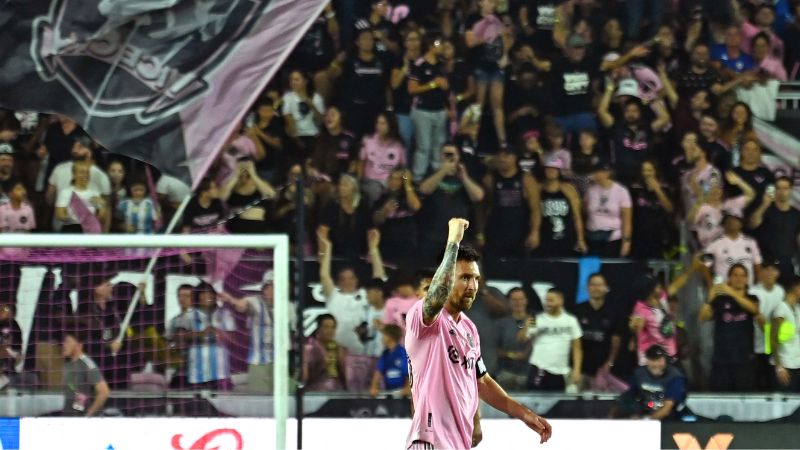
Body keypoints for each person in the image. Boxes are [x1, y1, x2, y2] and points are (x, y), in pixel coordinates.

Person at [405, 218, 551, 449]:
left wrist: (524, 414)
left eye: (475, 278)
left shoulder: (468, 328)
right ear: (446, 278)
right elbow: (437, 293)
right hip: (430, 442)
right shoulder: (424, 320)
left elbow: (481, 381)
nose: (472, 286)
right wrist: (453, 241)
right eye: (464, 278)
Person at [218, 271, 292, 393]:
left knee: (282, 396)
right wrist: (231, 299)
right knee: (260, 396)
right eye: (267, 286)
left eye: (274, 286)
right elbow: (242, 305)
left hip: (280, 362)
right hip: (258, 361)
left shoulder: (288, 306)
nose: (270, 290)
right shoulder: (255, 302)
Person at [317, 228, 385, 355]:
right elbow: (324, 275)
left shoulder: (365, 295)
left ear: (356, 280)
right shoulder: (333, 296)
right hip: (337, 354)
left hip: (363, 353)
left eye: (350, 278)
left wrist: (374, 249)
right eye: (343, 279)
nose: (347, 282)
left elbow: (379, 279)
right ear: (338, 282)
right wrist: (328, 247)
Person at [699, 264, 760, 392]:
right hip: (721, 359)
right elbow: (702, 318)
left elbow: (754, 309)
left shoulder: (752, 298)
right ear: (729, 278)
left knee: (744, 396)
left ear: (747, 278)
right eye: (735, 275)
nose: (739, 278)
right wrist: (710, 297)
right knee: (721, 396)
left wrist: (731, 292)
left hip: (744, 359)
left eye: (743, 275)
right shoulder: (720, 300)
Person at [630, 258, 702, 365]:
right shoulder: (641, 310)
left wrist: (693, 268)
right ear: (648, 291)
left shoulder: (661, 296)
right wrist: (634, 326)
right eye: (656, 286)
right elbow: (636, 323)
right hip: (651, 363)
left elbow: (677, 284)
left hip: (669, 358)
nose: (660, 287)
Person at [480, 146, 541, 259]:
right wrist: (480, 232)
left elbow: (535, 209)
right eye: (500, 155)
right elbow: (482, 208)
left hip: (520, 234)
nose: (502, 158)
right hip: (495, 234)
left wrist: (535, 232)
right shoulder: (489, 179)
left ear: (515, 158)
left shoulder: (527, 179)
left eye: (506, 155)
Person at [521, 289, 583, 392]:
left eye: (551, 300)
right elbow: (523, 339)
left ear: (560, 301)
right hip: (539, 368)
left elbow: (577, 347)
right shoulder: (536, 319)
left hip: (561, 371)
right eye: (546, 300)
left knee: (557, 403)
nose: (547, 303)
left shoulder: (571, 320)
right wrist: (525, 327)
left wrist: (577, 369)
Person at [573, 273, 625, 391]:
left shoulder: (614, 312)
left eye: (600, 285)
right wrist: (576, 368)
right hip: (580, 369)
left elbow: (616, 340)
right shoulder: (578, 310)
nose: (596, 288)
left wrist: (609, 363)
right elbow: (573, 342)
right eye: (593, 285)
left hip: (603, 369)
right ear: (587, 287)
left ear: (606, 288)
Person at [408, 35, 450, 181]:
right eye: (439, 44)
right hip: (422, 111)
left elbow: (446, 86)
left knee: (438, 145)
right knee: (423, 146)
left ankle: (436, 177)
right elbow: (412, 89)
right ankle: (418, 178)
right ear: (431, 46)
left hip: (439, 110)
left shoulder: (441, 64)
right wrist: (432, 84)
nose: (442, 46)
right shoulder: (419, 64)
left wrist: (443, 85)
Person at [613, 345, 687, 421]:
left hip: (669, 419)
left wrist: (647, 421)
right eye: (652, 360)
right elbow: (630, 396)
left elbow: (667, 409)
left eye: (659, 360)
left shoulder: (674, 377)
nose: (656, 364)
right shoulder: (639, 373)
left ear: (665, 360)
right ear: (647, 360)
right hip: (644, 411)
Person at [749, 176, 800, 284]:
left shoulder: (796, 214)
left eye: (785, 188)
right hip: (766, 263)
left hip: (787, 263)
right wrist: (764, 205)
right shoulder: (766, 209)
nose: (782, 192)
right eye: (779, 188)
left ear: (791, 190)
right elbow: (752, 224)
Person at [537, 158, 586, 257]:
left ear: (559, 171)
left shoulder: (569, 190)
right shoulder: (538, 189)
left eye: (554, 169)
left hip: (567, 238)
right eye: (548, 168)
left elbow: (577, 217)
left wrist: (580, 239)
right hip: (544, 238)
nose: (551, 171)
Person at [749, 260, 785, 391]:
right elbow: (758, 318)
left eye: (773, 270)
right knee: (757, 385)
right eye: (766, 269)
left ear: (778, 273)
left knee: (772, 385)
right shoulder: (753, 292)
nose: (770, 273)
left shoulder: (780, 291)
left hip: (774, 347)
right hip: (757, 346)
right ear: (761, 272)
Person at [583, 161, 632, 257]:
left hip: (612, 237)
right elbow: (584, 210)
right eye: (595, 172)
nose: (596, 175)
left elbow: (627, 220)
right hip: (592, 236)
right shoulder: (590, 190)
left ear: (608, 173)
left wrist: (626, 242)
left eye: (600, 172)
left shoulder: (621, 191)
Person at [357, 112, 407, 204]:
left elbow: (403, 169)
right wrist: (358, 183)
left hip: (391, 182)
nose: (379, 126)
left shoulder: (398, 145)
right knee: (376, 191)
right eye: (377, 123)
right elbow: (360, 163)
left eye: (383, 123)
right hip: (370, 181)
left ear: (391, 125)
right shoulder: (368, 140)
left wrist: (405, 183)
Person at [61, 328, 110, 417]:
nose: (64, 345)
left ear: (79, 345)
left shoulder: (87, 364)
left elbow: (104, 392)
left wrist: (88, 416)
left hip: (81, 420)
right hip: (69, 417)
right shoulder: (68, 364)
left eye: (68, 342)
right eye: (64, 342)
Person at [219, 158, 276, 234]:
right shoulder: (233, 185)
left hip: (257, 226)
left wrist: (253, 174)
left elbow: (271, 195)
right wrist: (235, 175)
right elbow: (221, 198)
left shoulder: (260, 183)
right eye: (241, 166)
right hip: (236, 226)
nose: (245, 169)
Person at [495, 287, 534, 390]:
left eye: (521, 299)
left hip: (529, 374)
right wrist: (512, 355)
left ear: (526, 301)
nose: (518, 303)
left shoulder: (535, 321)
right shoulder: (501, 323)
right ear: (508, 302)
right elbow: (492, 349)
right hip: (505, 373)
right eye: (514, 300)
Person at [303, 313, 347, 392]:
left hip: (338, 393)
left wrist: (342, 363)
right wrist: (323, 365)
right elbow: (303, 378)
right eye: (326, 327)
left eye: (333, 327)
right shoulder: (309, 348)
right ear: (318, 329)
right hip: (316, 393)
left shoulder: (339, 348)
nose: (330, 331)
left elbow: (346, 377)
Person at [771, 277, 800, 391]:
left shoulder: (797, 309)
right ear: (796, 288)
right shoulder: (781, 309)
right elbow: (773, 339)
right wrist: (779, 367)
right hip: (785, 364)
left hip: (797, 363)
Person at [369, 324, 410, 398]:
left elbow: (409, 375)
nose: (381, 339)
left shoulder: (402, 353)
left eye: (383, 336)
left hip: (403, 397)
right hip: (389, 394)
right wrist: (373, 387)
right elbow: (378, 373)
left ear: (390, 337)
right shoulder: (385, 354)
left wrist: (406, 390)